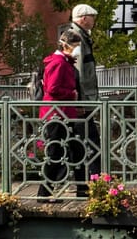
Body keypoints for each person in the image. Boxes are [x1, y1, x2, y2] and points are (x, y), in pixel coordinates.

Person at [38, 27, 86, 196]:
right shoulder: (58, 63)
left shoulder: (62, 62)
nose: (78, 49)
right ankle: (44, 192)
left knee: (76, 149)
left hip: (63, 113)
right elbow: (52, 89)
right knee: (55, 152)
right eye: (77, 45)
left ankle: (82, 188)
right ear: (67, 46)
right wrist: (71, 94)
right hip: (57, 114)